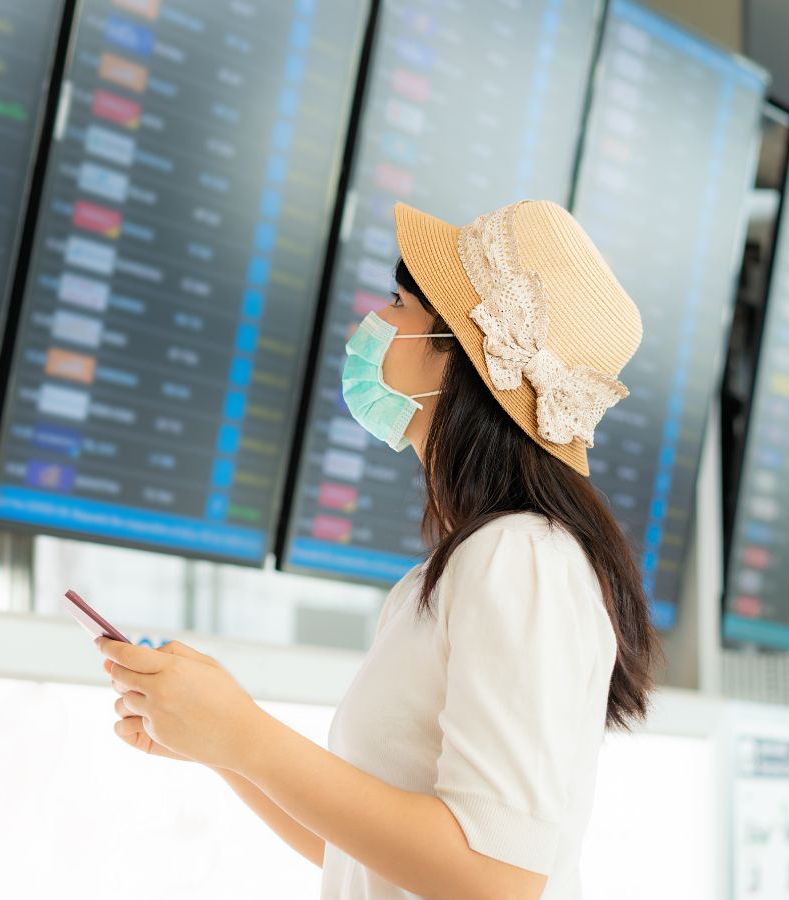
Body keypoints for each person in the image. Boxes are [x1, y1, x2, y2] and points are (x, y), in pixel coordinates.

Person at [96, 200, 660, 899]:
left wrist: (245, 734)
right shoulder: (467, 566)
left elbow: (497, 879)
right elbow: (367, 857)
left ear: (462, 356)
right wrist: (221, 746)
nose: (375, 322)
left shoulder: (521, 557)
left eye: (400, 302)